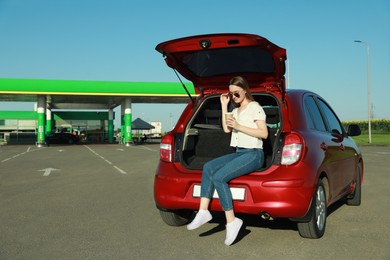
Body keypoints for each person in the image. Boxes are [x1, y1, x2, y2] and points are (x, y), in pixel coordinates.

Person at [186, 76, 268, 246]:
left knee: (219, 177)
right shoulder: (235, 110)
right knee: (209, 167)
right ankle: (203, 211)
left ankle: (232, 221)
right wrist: (224, 105)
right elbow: (226, 129)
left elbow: (264, 133)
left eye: (236, 93)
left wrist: (239, 127)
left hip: (254, 153)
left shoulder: (255, 107)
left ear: (245, 90)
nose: (234, 97)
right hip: (239, 152)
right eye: (231, 94)